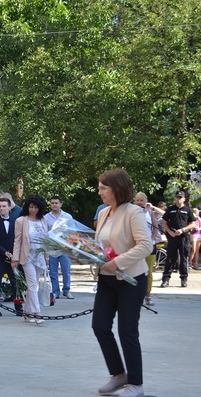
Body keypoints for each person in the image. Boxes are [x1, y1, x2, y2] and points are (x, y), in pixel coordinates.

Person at [93, 169, 152, 397]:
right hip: (107, 279)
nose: (99, 192)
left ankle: (136, 384)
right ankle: (118, 375)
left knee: (127, 330)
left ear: (116, 188)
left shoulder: (134, 212)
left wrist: (118, 262)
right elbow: (101, 245)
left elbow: (145, 246)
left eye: (103, 188)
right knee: (99, 326)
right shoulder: (105, 212)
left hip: (132, 279)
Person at [11, 194, 48, 325]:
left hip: (39, 256)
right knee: (32, 285)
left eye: (36, 207)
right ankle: (38, 313)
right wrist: (15, 258)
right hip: (26, 257)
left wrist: (46, 257)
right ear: (27, 207)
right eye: (31, 207)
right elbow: (17, 241)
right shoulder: (21, 221)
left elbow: (46, 240)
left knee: (34, 285)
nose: (33, 210)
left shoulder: (43, 220)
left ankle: (27, 312)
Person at [160, 191, 196, 288]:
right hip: (172, 237)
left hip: (184, 237)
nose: (179, 199)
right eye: (177, 197)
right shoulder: (170, 209)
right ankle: (165, 280)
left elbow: (193, 224)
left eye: (181, 197)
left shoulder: (188, 210)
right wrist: (169, 232)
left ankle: (184, 279)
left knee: (184, 258)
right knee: (170, 258)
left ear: (184, 199)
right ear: (175, 198)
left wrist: (183, 229)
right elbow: (164, 222)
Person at [0, 197, 17, 316]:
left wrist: (13, 254)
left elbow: (17, 239)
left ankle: (18, 306)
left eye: (4, 206)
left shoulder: (15, 222)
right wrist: (4, 252)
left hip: (13, 257)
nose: (1, 208)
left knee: (15, 282)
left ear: (9, 207)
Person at [44, 195, 74, 299]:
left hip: (65, 248)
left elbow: (73, 232)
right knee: (53, 271)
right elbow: (45, 234)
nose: (54, 205)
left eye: (56, 203)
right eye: (52, 203)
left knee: (66, 270)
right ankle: (55, 291)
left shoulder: (67, 217)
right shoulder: (46, 217)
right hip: (52, 248)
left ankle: (67, 290)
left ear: (60, 204)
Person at [134, 192, 160, 306]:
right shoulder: (132, 212)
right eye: (137, 200)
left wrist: (152, 240)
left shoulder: (149, 212)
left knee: (148, 271)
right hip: (136, 245)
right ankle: (135, 294)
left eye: (141, 200)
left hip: (149, 245)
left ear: (146, 202)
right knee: (136, 270)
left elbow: (155, 227)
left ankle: (148, 295)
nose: (139, 202)